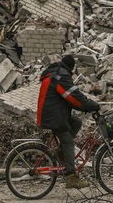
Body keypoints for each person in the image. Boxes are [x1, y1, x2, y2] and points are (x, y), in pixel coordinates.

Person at [35, 53, 100, 189]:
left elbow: (69, 96)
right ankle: (71, 177)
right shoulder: (61, 76)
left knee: (76, 122)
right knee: (68, 142)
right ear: (71, 67)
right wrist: (90, 106)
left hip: (53, 113)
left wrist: (85, 105)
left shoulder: (56, 72)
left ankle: (61, 151)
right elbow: (73, 97)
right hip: (54, 116)